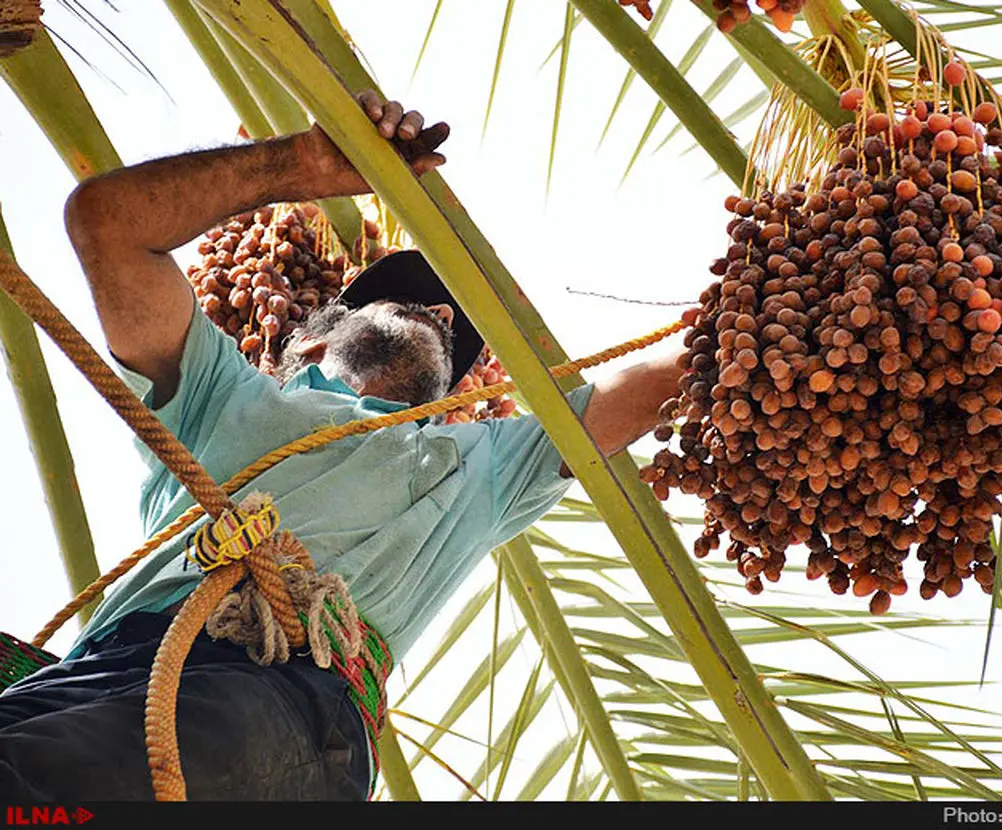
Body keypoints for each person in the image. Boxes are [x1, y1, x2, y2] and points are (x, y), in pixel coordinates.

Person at [0, 90, 683, 800]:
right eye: (407, 297)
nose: (443, 313)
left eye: (454, 333)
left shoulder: (478, 467)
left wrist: (744, 321)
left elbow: (632, 393)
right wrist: (300, 164)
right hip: (97, 676)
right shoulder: (221, 391)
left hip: (282, 705)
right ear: (312, 338)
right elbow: (107, 224)